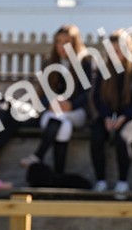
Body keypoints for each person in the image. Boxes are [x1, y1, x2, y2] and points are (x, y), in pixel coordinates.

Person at [22, 24, 92, 174]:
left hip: (76, 113)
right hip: (52, 113)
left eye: (66, 42)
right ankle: (58, 175)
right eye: (58, 42)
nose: (61, 46)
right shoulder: (49, 64)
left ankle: (38, 155)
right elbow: (41, 96)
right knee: (63, 124)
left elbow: (88, 94)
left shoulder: (84, 63)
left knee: (62, 119)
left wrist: (71, 105)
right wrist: (51, 104)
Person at [89, 30, 132, 195]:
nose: (115, 55)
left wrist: (125, 117)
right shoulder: (104, 69)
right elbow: (97, 99)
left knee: (122, 139)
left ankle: (123, 182)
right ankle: (100, 181)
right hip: (110, 116)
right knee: (96, 136)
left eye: (118, 51)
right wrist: (106, 116)